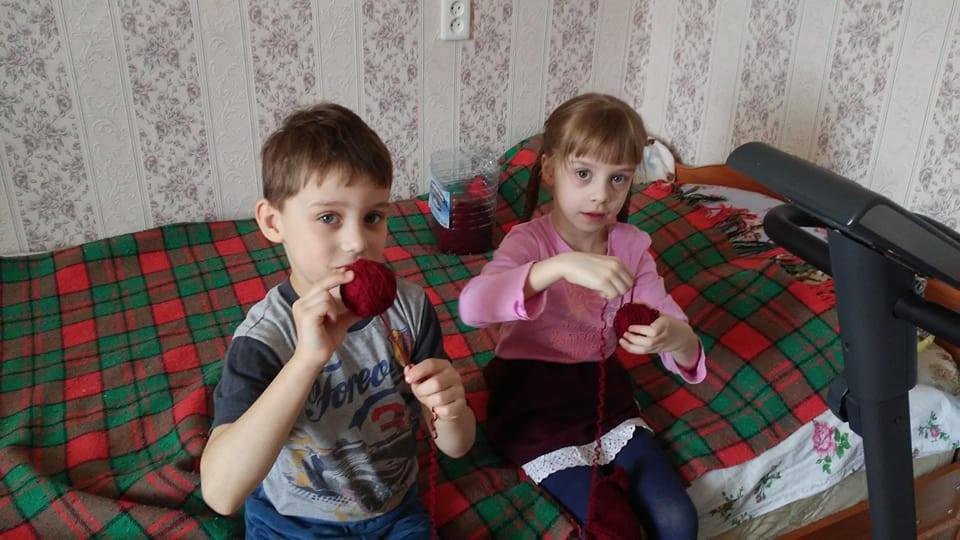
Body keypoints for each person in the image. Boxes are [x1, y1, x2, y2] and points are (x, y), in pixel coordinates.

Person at [200, 103, 476, 539]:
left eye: (373, 217)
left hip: (394, 513)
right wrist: (306, 360)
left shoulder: (409, 310)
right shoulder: (265, 338)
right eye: (328, 217)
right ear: (273, 222)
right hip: (293, 523)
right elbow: (221, 493)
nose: (357, 242)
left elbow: (456, 446)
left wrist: (453, 409)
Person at [458, 93, 704, 539]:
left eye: (618, 178)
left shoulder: (632, 248)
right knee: (614, 526)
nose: (601, 195)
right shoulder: (529, 241)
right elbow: (472, 307)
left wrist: (674, 337)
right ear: (550, 170)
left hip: (604, 395)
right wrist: (559, 267)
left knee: (677, 519)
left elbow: (676, 331)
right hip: (533, 400)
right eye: (584, 174)